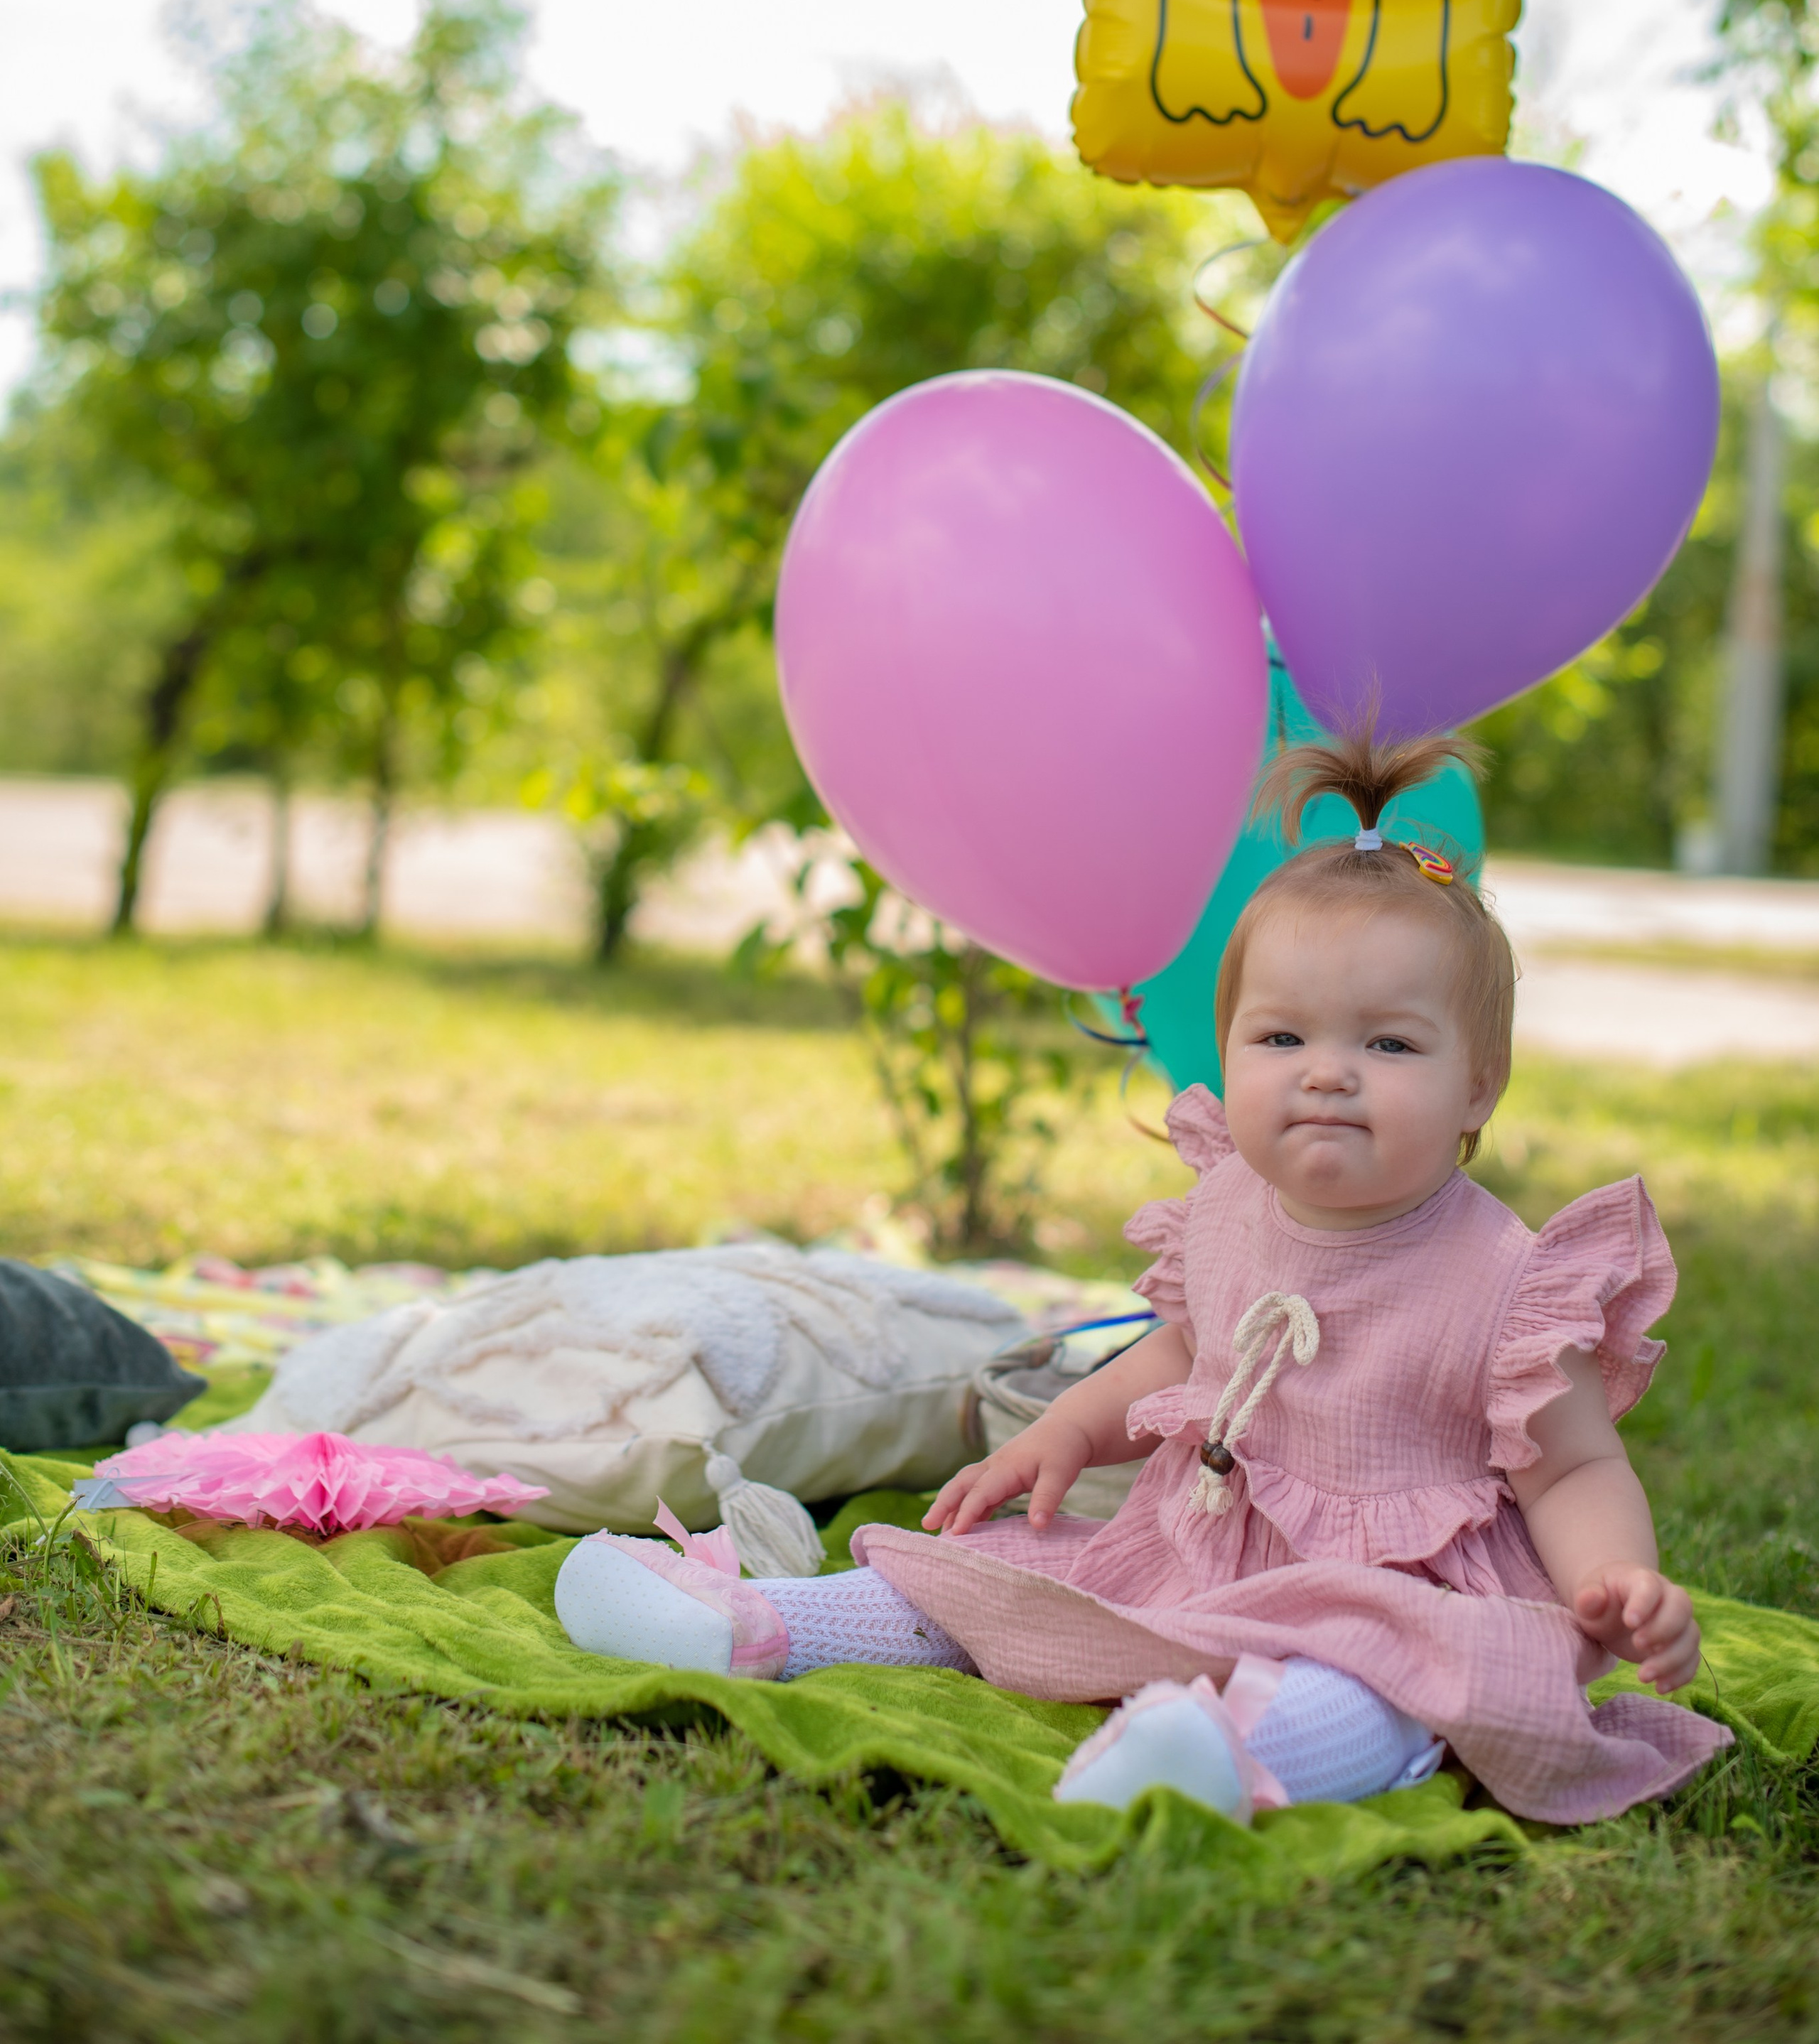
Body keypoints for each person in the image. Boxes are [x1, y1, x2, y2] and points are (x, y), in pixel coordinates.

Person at [556, 731, 1729, 1824]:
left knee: (1389, 1685)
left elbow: (1572, 1460)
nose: (1327, 1075)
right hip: (1200, 1543)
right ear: (1227, 1053)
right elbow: (1186, 1355)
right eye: (1283, 1040)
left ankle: (1228, 1757)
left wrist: (1615, 1580)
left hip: (1392, 1590)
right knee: (1001, 1581)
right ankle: (755, 1624)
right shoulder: (1229, 1205)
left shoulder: (1508, 1280)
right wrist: (1062, 1432)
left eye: (1388, 1044)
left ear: (1480, 1086)